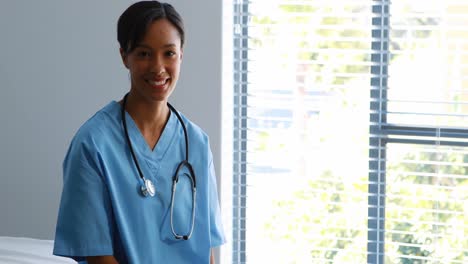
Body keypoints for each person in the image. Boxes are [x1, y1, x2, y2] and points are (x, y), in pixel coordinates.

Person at [52, 1, 226, 263]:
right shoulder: (93, 144)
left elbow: (206, 250)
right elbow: (98, 257)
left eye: (169, 53)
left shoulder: (197, 143)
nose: (158, 67)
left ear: (181, 55)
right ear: (125, 56)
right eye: (144, 54)